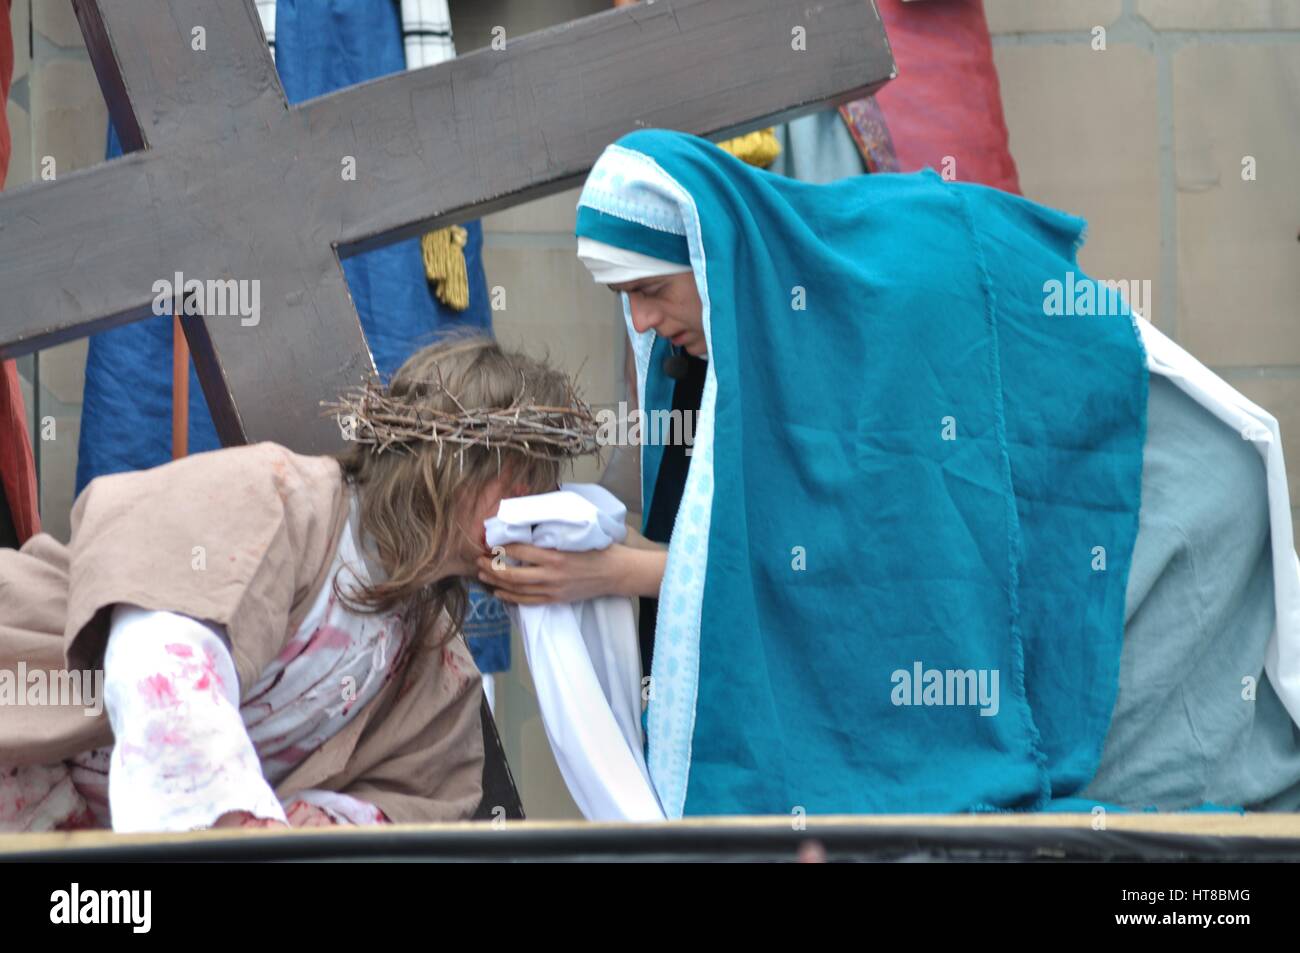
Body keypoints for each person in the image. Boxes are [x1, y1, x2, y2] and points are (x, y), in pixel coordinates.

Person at [479, 128, 1300, 817]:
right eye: (623, 298)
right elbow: (780, 538)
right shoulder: (765, 309)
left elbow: (869, 562)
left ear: (711, 254)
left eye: (652, 290)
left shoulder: (868, 309)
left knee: (1148, 793)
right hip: (1041, 493)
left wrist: (619, 571)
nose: (643, 322)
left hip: (1125, 483)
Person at [0, 336, 597, 832]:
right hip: (28, 748)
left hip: (108, 847)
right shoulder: (277, 495)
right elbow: (162, 650)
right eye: (522, 482)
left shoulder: (433, 655)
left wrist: (327, 817)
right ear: (452, 464)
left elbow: (421, 790)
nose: (534, 508)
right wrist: (232, 823)